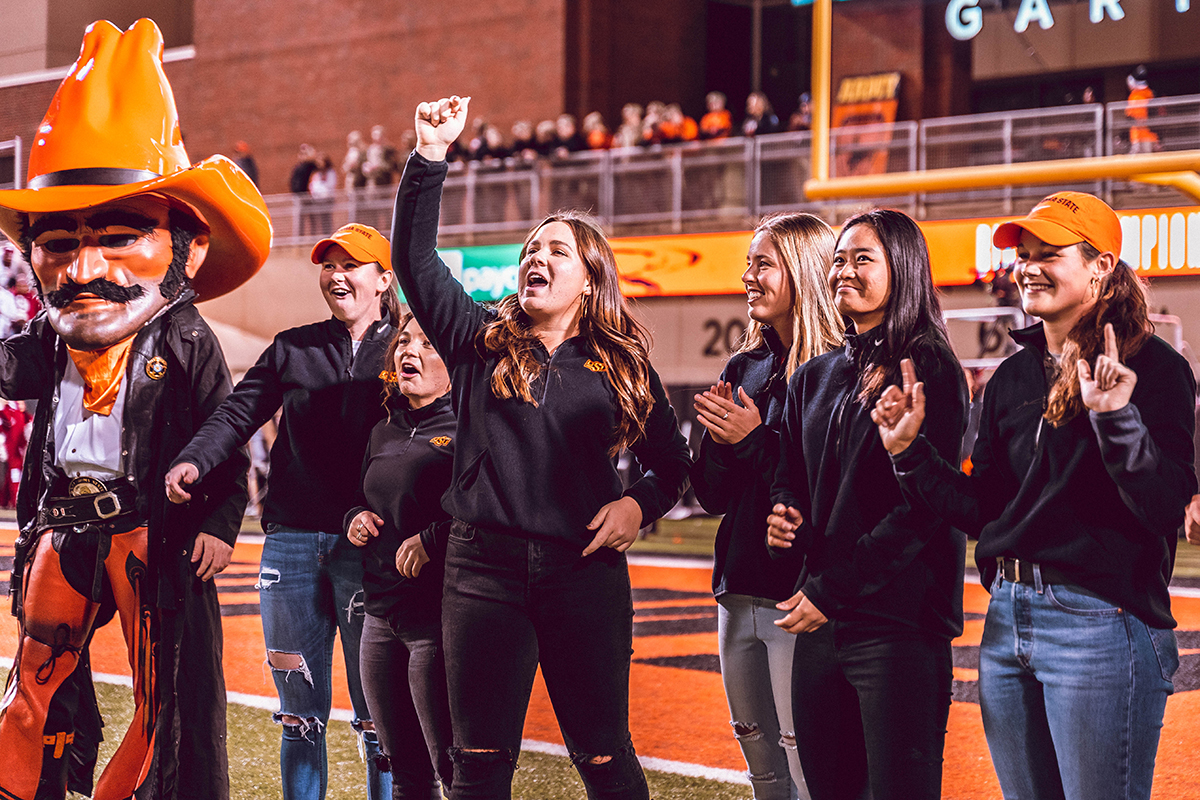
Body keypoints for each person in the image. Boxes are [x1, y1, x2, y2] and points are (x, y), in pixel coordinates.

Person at [0, 18, 269, 799]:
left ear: (179, 243)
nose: (85, 268)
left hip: (151, 529)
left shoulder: (187, 342)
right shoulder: (47, 340)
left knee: (167, 704)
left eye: (118, 239)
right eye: (59, 244)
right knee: (33, 686)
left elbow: (227, 433)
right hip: (65, 526)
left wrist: (220, 525)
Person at [394, 94, 692, 800]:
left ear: (590, 280)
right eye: (532, 248)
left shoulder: (620, 362)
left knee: (602, 757)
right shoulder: (477, 341)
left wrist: (637, 506)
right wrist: (430, 156)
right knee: (479, 761)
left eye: (557, 250)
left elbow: (673, 464)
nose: (537, 256)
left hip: (581, 571)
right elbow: (413, 257)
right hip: (480, 571)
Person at [874, 191, 1196, 800]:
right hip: (1007, 619)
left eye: (1050, 252)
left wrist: (1116, 419)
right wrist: (909, 454)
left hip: (1102, 623)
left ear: (1101, 267)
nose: (1029, 265)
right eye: (1025, 253)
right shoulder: (1012, 378)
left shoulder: (1155, 369)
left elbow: (1163, 506)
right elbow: (986, 513)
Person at [165, 222, 400, 800]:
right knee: (298, 714)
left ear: (384, 278)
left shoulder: (409, 349)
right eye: (328, 265)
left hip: (372, 548)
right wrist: (195, 459)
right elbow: (235, 414)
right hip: (292, 545)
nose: (336, 275)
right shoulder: (294, 346)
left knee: (382, 714)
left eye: (351, 264)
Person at [767, 208, 967, 800]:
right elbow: (791, 473)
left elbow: (923, 510)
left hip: (899, 626)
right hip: (825, 622)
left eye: (862, 259)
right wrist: (784, 513)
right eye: (838, 260)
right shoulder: (815, 374)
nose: (843, 272)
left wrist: (831, 590)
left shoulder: (928, 368)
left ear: (901, 269)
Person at [691, 213, 844, 800]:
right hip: (739, 585)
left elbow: (824, 485)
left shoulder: (837, 369)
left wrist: (754, 442)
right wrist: (722, 447)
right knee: (758, 757)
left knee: (805, 761)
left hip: (801, 591)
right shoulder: (744, 366)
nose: (748, 277)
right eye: (747, 264)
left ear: (802, 272)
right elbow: (710, 494)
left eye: (763, 264)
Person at [346, 314, 456, 800]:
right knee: (405, 773)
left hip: (437, 619)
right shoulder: (382, 431)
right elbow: (363, 496)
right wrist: (354, 516)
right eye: (403, 343)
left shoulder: (469, 427)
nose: (409, 351)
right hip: (379, 616)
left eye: (427, 344)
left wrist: (432, 539)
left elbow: (489, 512)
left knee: (457, 772)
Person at [1126, 65, 1159, 154]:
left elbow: (1133, 117)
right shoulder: (1148, 94)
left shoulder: (1137, 96)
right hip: (1144, 137)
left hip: (1142, 137)